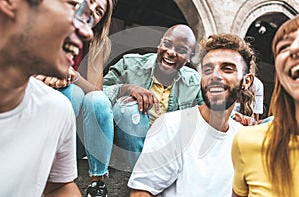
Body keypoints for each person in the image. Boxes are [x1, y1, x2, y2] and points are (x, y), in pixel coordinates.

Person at [128, 33, 256, 197]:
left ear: (246, 81)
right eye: (208, 69)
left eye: (227, 68)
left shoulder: (245, 139)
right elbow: (141, 193)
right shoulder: (172, 126)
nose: (215, 76)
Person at [0, 0, 94, 196]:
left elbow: (59, 187)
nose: (88, 32)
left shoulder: (57, 109)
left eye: (89, 19)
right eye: (75, 6)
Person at [101, 24, 202, 170]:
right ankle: (143, 173)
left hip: (167, 153)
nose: (171, 52)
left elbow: (209, 114)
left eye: (181, 51)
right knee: (128, 108)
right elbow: (97, 95)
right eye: (167, 44)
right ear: (159, 43)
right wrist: (125, 89)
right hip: (126, 151)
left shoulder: (194, 81)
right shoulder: (129, 63)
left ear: (189, 57)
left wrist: (239, 119)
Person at [232, 16, 299, 197]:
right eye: (284, 46)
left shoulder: (257, 86)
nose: (294, 48)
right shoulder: (247, 141)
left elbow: (257, 116)